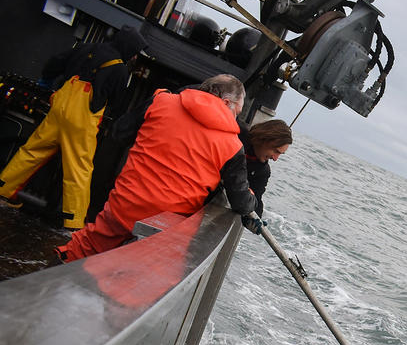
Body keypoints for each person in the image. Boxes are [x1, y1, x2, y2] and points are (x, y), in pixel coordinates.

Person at [56, 74, 257, 262]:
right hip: (166, 224)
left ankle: (46, 281)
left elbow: (120, 133)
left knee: (86, 246)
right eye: (237, 113)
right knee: (136, 276)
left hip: (125, 203)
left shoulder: (161, 100)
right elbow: (240, 202)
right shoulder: (232, 146)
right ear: (225, 103)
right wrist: (252, 200)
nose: (236, 120)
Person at [0, 26, 147, 229]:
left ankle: (3, 190)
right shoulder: (120, 69)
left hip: (59, 107)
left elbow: (54, 63)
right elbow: (116, 101)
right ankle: (74, 222)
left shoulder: (85, 47)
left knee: (32, 151)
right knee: (79, 168)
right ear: (129, 48)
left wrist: (46, 82)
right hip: (82, 118)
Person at [239, 119, 293, 217]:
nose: (275, 159)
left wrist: (256, 219)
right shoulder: (236, 133)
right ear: (265, 139)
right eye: (276, 151)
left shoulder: (262, 171)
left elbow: (257, 198)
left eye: (280, 154)